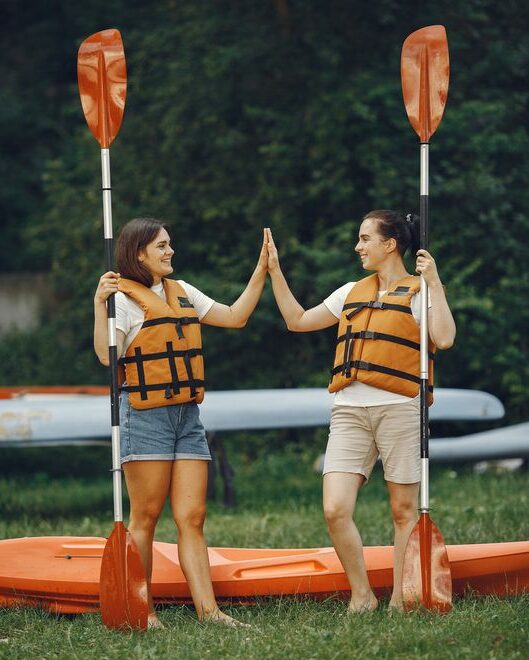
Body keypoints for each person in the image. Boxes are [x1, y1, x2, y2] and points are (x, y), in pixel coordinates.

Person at [266, 210, 456, 612]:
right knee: (335, 508)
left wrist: (434, 281)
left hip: (400, 408)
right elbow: (297, 320)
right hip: (349, 410)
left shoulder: (420, 291)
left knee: (404, 511)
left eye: (365, 238)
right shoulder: (350, 290)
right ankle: (362, 594)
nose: (358, 246)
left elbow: (444, 337)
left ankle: (401, 600)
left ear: (390, 244)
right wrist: (275, 271)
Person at [94, 217, 267, 628]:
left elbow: (235, 316)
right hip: (145, 414)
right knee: (146, 517)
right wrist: (99, 306)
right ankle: (142, 610)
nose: (170, 251)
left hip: (187, 416)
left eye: (170, 245)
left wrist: (262, 271)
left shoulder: (182, 292)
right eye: (161, 246)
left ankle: (210, 612)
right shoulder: (123, 300)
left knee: (192, 517)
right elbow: (106, 356)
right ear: (139, 254)